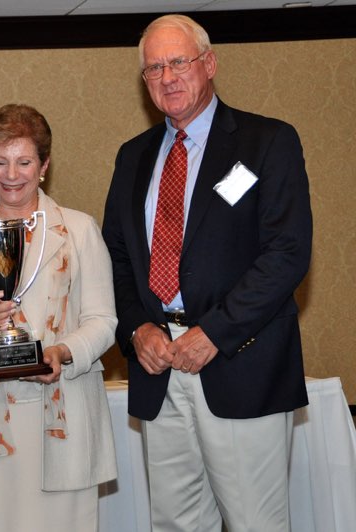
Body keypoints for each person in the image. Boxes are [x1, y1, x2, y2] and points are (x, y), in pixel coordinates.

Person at [101, 14, 312, 532]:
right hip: (159, 369)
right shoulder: (132, 157)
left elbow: (286, 253)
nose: (167, 77)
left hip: (241, 363)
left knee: (255, 523)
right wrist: (136, 328)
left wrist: (215, 331)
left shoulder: (267, 142)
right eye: (154, 68)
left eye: (179, 62)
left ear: (209, 64)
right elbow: (118, 258)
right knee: (175, 523)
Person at [0, 104, 118, 532]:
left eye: (24, 161)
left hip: (62, 406)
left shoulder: (79, 230)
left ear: (44, 165)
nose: (12, 174)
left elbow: (104, 319)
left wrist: (62, 352)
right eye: (0, 161)